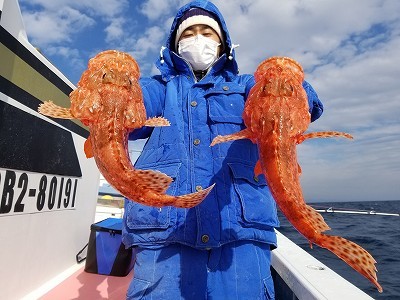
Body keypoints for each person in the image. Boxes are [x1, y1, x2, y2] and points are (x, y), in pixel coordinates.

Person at [122, 1, 323, 299]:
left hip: (240, 239)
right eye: (189, 33)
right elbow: (132, 112)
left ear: (223, 42)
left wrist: (290, 84)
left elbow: (311, 107)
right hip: (165, 239)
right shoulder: (159, 88)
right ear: (175, 44)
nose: (198, 38)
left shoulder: (250, 86)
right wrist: (113, 95)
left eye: (207, 32)